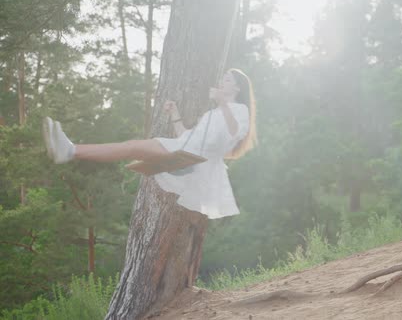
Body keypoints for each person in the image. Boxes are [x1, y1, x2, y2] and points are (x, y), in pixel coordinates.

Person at [42, 68, 257, 219]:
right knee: (131, 147)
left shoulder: (239, 111)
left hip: (194, 161)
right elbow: (186, 135)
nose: (221, 81)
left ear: (237, 88)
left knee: (131, 147)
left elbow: (235, 131)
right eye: (223, 78)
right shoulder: (214, 112)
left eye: (227, 80)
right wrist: (175, 114)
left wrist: (222, 103)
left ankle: (70, 150)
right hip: (184, 149)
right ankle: (70, 150)